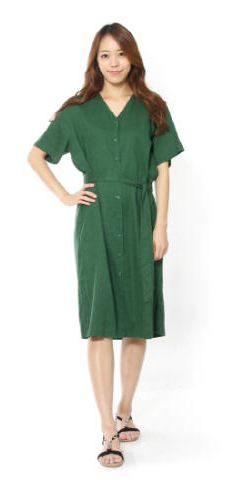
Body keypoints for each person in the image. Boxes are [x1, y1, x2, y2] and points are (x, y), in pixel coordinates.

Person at [27, 23, 184, 467]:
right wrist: (65, 195)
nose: (113, 62)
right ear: (95, 62)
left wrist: (161, 226)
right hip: (94, 222)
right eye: (104, 55)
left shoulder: (153, 107)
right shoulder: (77, 112)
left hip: (139, 216)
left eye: (120, 53)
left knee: (135, 319)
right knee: (99, 322)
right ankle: (107, 429)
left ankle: (125, 408)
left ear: (132, 57)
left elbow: (163, 171)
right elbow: (36, 156)